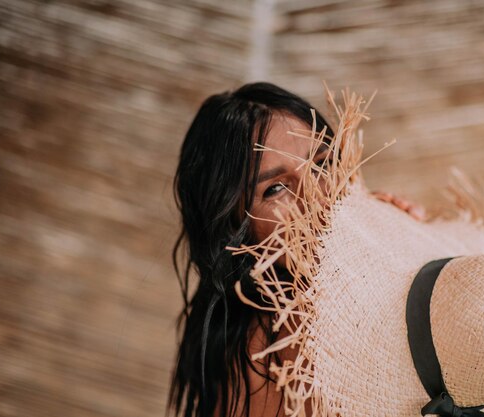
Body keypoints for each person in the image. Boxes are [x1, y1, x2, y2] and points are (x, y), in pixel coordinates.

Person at [166, 82, 426, 417]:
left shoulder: (343, 302)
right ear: (235, 233)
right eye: (275, 189)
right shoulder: (275, 347)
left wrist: (404, 242)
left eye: (323, 163)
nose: (319, 198)